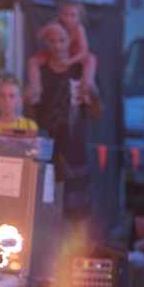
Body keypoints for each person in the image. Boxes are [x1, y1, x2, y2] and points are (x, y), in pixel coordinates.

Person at [27, 22, 92, 221]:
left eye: (61, 41)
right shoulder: (39, 68)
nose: (57, 46)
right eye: (52, 41)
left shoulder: (80, 69)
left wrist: (89, 90)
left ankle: (76, 250)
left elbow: (96, 107)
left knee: (77, 210)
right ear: (47, 42)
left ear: (69, 41)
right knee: (46, 207)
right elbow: (30, 102)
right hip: (47, 147)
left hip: (74, 148)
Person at [27, 1, 100, 119]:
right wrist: (49, 27)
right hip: (56, 54)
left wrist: (69, 61)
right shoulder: (57, 25)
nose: (68, 19)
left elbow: (83, 51)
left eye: (72, 15)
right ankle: (35, 88)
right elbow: (39, 36)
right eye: (65, 15)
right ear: (60, 15)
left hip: (74, 54)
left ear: (79, 17)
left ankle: (87, 84)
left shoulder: (78, 28)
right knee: (33, 61)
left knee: (90, 60)